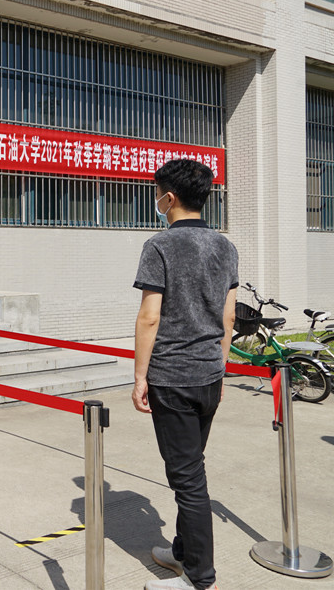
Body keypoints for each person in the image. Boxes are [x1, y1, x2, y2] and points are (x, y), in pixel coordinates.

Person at [132, 159, 237, 590]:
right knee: (191, 469)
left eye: (158, 193)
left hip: (173, 377)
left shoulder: (159, 246)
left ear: (169, 197)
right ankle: (182, 552)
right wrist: (221, 368)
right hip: (209, 374)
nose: (157, 200)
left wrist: (140, 376)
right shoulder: (224, 246)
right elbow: (229, 316)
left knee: (189, 480)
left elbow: (149, 317)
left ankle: (200, 577)